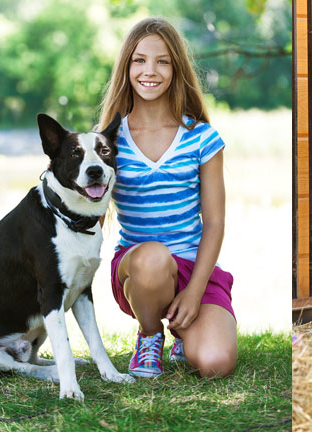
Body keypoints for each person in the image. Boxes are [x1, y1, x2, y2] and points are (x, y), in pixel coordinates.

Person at [98, 17, 236, 378]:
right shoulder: (108, 142)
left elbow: (216, 223)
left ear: (176, 69)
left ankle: (183, 332)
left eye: (162, 61)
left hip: (193, 268)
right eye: (139, 60)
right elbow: (90, 217)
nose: (150, 71)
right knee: (153, 259)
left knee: (215, 363)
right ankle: (149, 334)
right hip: (139, 267)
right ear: (127, 66)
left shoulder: (201, 137)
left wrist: (194, 292)